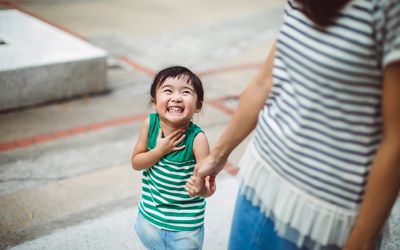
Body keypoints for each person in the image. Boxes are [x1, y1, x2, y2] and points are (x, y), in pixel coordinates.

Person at [186, 0, 400, 249]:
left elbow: (395, 140)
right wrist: (217, 155)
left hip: (326, 210)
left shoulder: (387, 7)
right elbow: (264, 82)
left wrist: (361, 240)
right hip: (261, 179)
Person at [131, 66, 216, 250]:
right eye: (168, 91)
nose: (176, 97)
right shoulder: (150, 124)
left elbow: (207, 187)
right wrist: (158, 151)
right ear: (154, 101)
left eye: (186, 92)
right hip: (149, 218)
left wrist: (201, 188)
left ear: (198, 105)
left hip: (184, 229)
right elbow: (136, 163)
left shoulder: (197, 140)